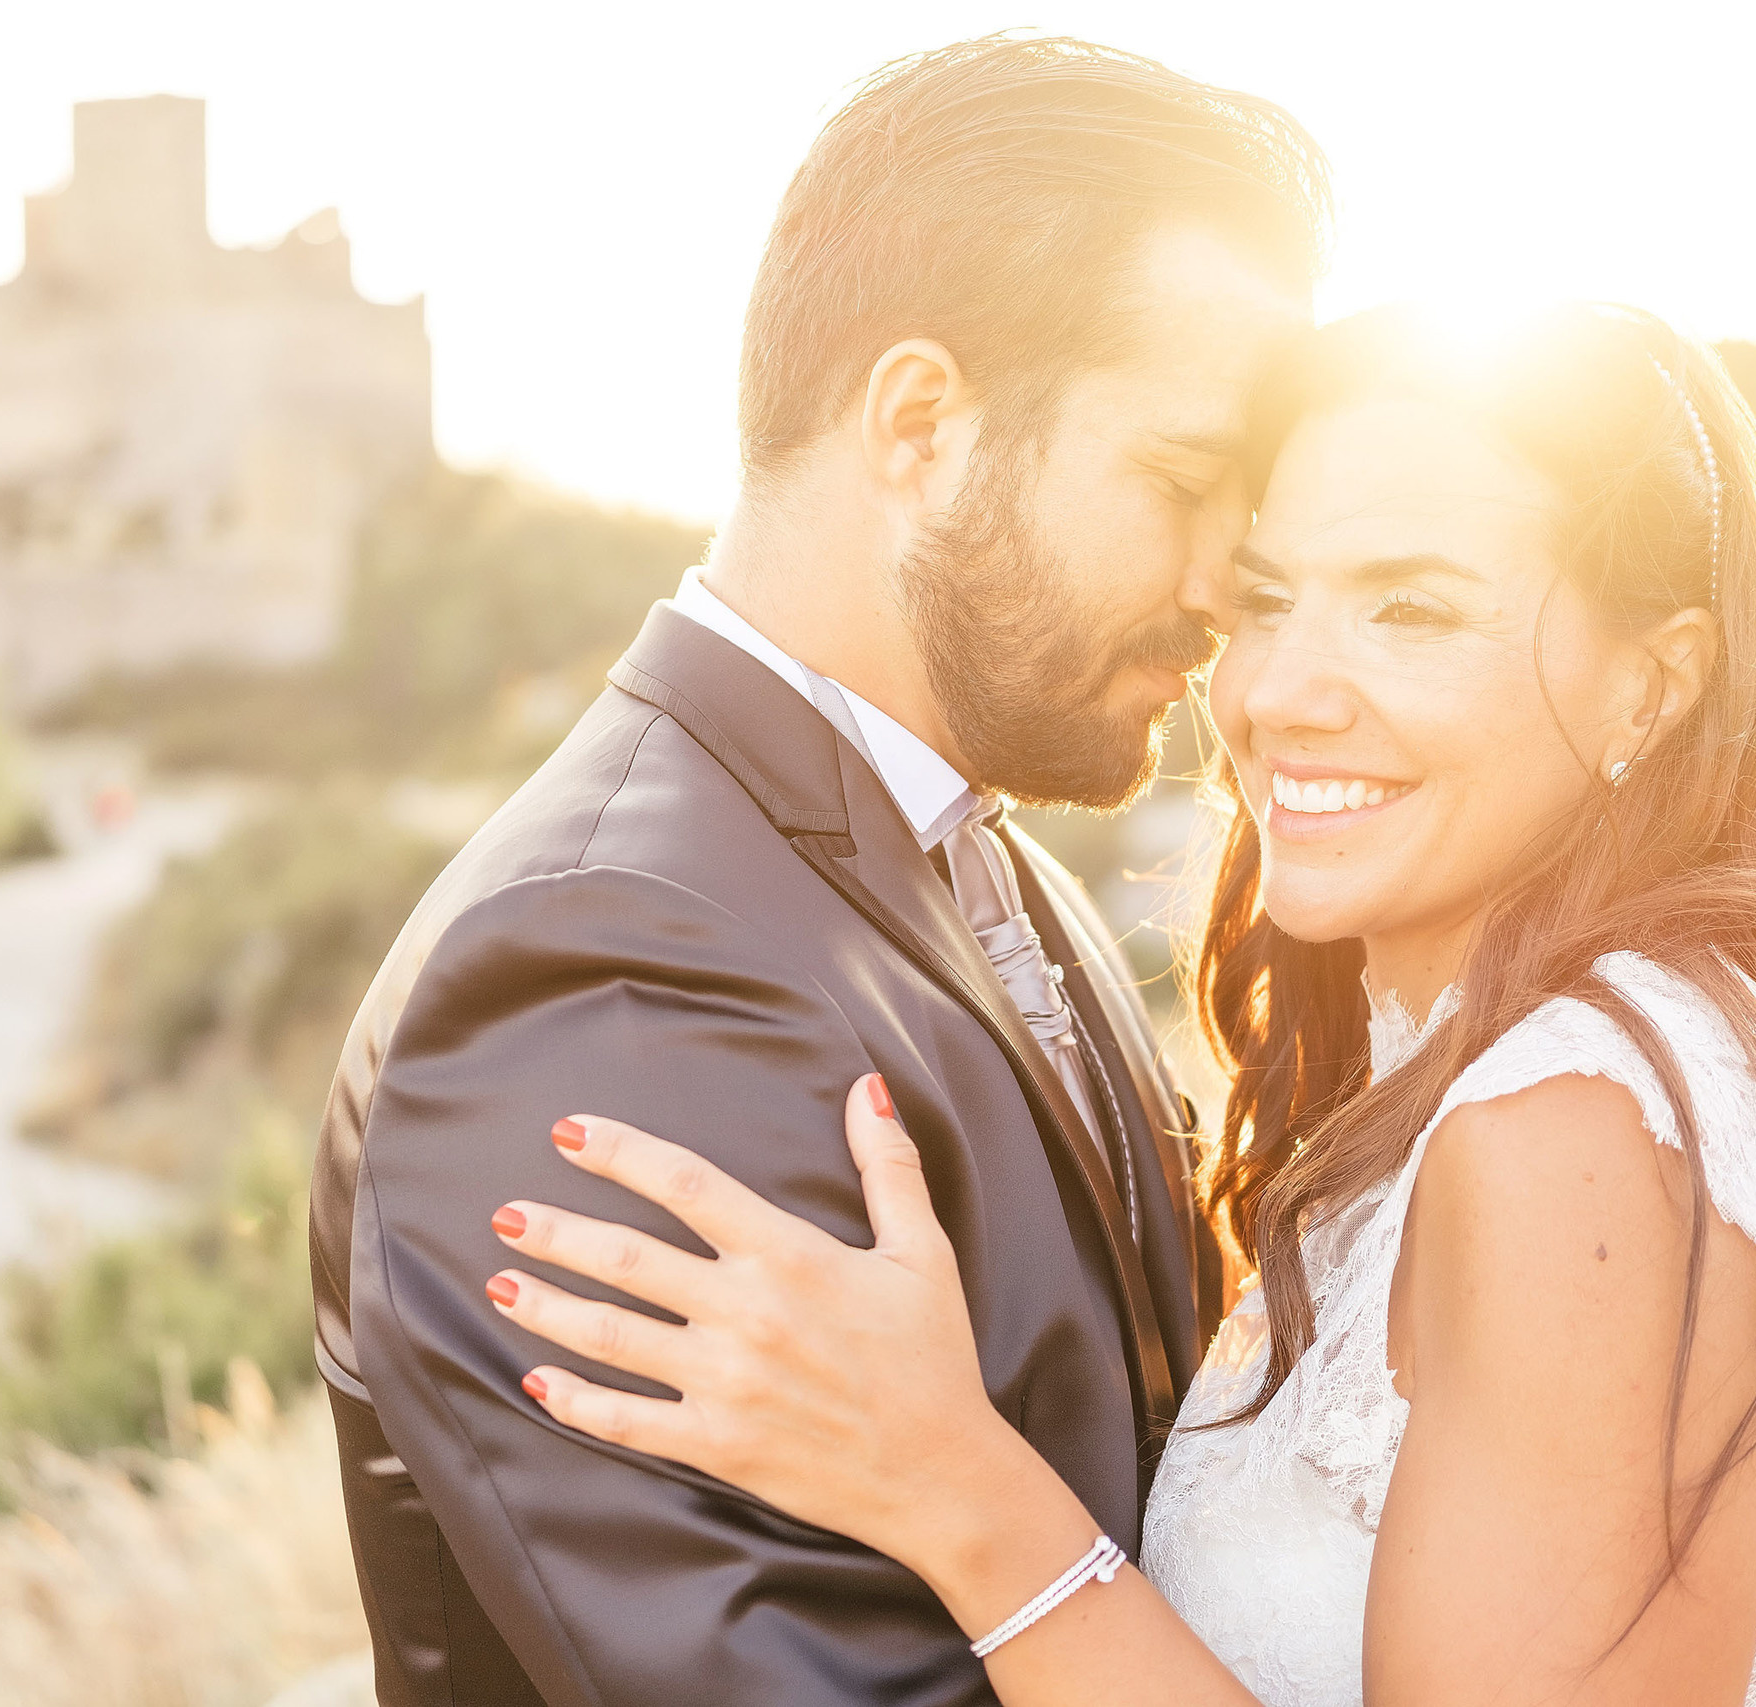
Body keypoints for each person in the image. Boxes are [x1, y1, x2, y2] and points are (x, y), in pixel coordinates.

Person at [481, 305, 1756, 1706]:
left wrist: (958, 1493)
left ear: (1653, 687)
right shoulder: (1634, 1057)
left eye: (1411, 612)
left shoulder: (1570, 1133)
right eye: (1270, 601)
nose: (1282, 691)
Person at [306, 34, 1327, 1706]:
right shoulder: (602, 973)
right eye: (1182, 481)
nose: (1230, 578)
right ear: (921, 422)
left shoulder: (988, 863)